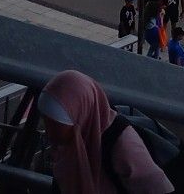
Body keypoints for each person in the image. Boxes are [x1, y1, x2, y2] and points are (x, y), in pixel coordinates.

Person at [29, 69, 172, 194]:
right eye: (46, 122)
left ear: (79, 118)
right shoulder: (71, 141)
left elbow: (157, 187)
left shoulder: (122, 143)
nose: (48, 132)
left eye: (55, 124)